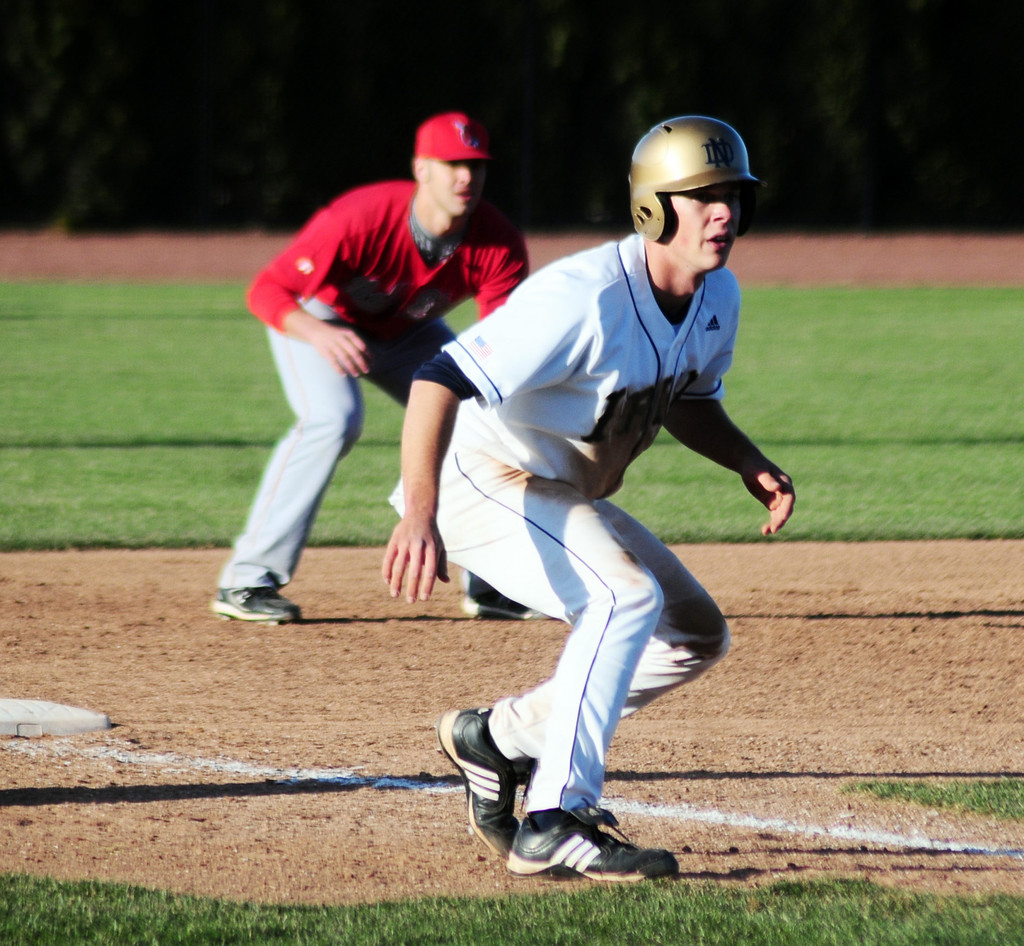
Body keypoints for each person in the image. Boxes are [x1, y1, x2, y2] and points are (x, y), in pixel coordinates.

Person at [382, 116, 795, 883]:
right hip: (483, 479)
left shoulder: (718, 295)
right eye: (701, 197)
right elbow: (438, 378)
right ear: (651, 208)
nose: (723, 212)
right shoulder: (583, 296)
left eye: (733, 196)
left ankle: (499, 740)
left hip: (555, 489)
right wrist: (419, 512)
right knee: (624, 597)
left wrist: (746, 459)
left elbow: (686, 397)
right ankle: (553, 818)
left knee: (695, 634)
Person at [213, 111, 538, 624]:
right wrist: (317, 331)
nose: (465, 177)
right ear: (421, 169)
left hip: (409, 333)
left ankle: (490, 583)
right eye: (452, 164)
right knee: (333, 420)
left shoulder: (498, 243)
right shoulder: (361, 218)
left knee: (481, 419)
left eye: (475, 165)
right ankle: (247, 579)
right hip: (321, 319)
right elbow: (267, 290)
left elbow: (499, 345)